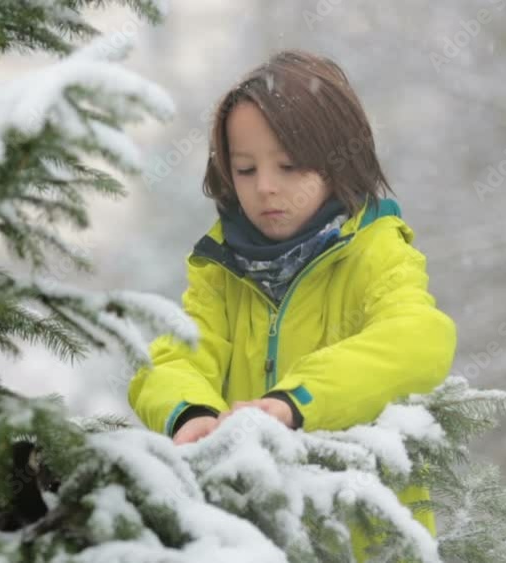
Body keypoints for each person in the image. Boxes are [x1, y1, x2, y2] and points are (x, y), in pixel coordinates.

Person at [128, 49, 457, 549]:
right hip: (250, 543)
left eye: (289, 165)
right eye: (244, 169)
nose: (265, 188)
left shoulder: (375, 249)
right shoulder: (222, 267)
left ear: (339, 160)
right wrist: (191, 413)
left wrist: (294, 403)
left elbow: (419, 338)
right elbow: (174, 356)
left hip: (363, 545)